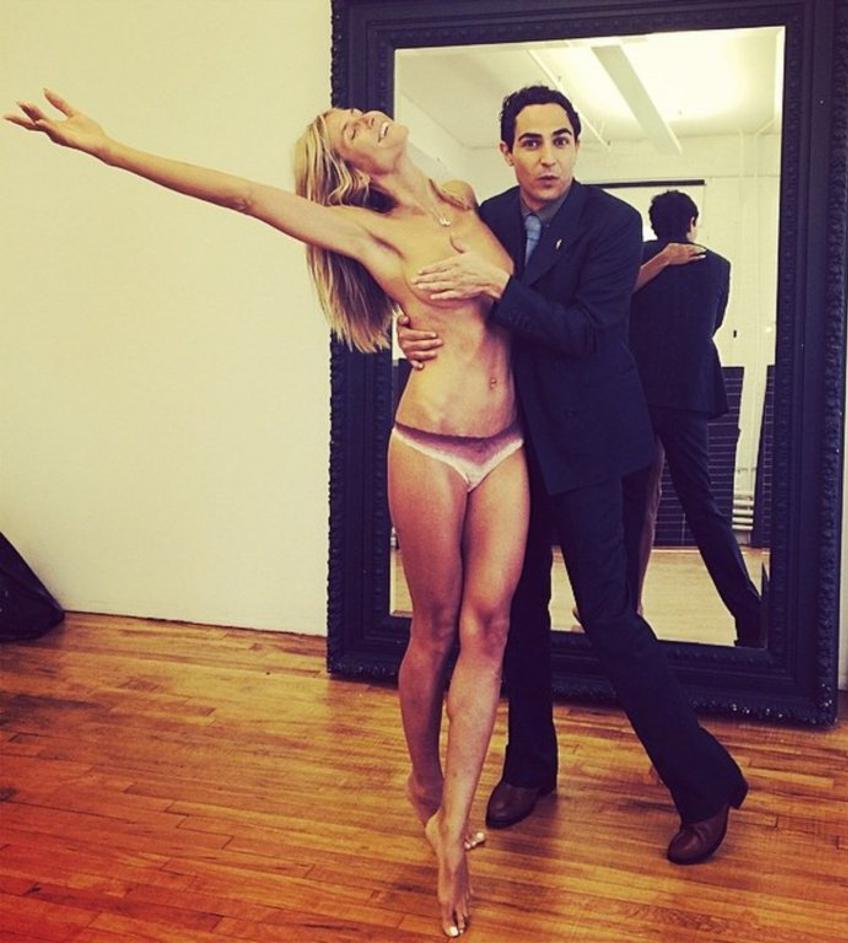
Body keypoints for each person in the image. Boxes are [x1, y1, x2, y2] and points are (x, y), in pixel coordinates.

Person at [6, 89, 529, 938]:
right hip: (431, 444)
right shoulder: (365, 230)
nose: (363, 117)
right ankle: (425, 785)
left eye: (357, 112)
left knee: (491, 629)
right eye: (346, 129)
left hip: (508, 446)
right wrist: (106, 147)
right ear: (348, 171)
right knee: (435, 629)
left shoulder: (467, 199)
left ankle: (454, 829)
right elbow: (245, 197)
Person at [399, 85, 749, 866]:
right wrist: (411, 330)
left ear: (575, 147)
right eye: (530, 142)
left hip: (595, 448)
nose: (547, 156)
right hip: (508, 448)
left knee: (608, 617)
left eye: (560, 140)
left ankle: (703, 786)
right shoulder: (484, 220)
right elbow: (440, 302)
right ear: (506, 151)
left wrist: (497, 287)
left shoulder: (613, 224)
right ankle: (529, 765)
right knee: (515, 613)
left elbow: (587, 333)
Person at [629, 190, 764, 646]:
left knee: (635, 504)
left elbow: (614, 311)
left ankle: (625, 607)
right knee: (703, 506)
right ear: (692, 222)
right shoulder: (718, 266)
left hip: (637, 395)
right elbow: (712, 324)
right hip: (688, 394)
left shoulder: (636, 259)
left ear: (654, 224)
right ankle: (749, 614)